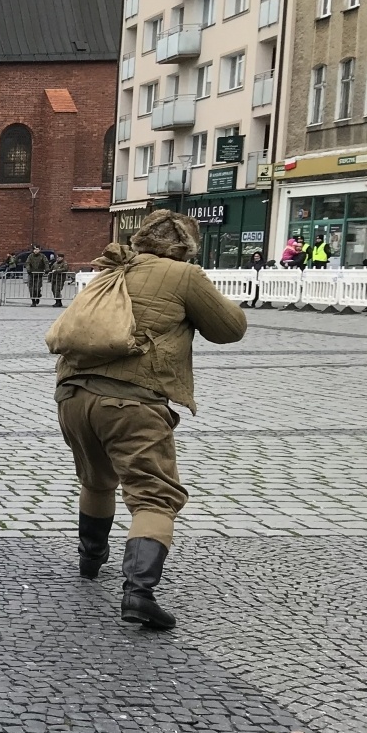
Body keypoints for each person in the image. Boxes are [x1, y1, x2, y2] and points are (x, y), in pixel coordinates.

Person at [54, 210, 247, 630]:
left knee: (97, 480)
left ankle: (91, 560)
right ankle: (138, 593)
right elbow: (230, 329)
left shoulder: (113, 266)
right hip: (132, 403)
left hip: (72, 395)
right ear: (185, 247)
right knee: (154, 497)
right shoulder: (184, 274)